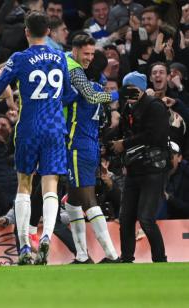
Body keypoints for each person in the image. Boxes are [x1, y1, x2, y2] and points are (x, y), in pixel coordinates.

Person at [0, 12, 74, 265]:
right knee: (51, 184)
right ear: (48, 31)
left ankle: (25, 244)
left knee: (24, 184)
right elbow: (67, 94)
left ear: (26, 32)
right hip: (55, 127)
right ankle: (46, 235)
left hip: (29, 127)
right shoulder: (60, 57)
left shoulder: (19, 58)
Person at [63, 49, 121, 264]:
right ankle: (81, 255)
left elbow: (61, 100)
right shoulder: (97, 90)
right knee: (73, 201)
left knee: (87, 200)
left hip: (78, 146)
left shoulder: (80, 91)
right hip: (89, 146)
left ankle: (112, 255)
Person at [109, 71, 169, 263]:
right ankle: (126, 258)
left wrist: (124, 144)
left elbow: (155, 136)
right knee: (125, 218)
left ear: (140, 89)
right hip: (134, 169)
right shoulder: (128, 108)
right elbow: (121, 133)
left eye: (131, 89)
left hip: (153, 169)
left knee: (146, 219)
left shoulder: (155, 107)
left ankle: (160, 259)